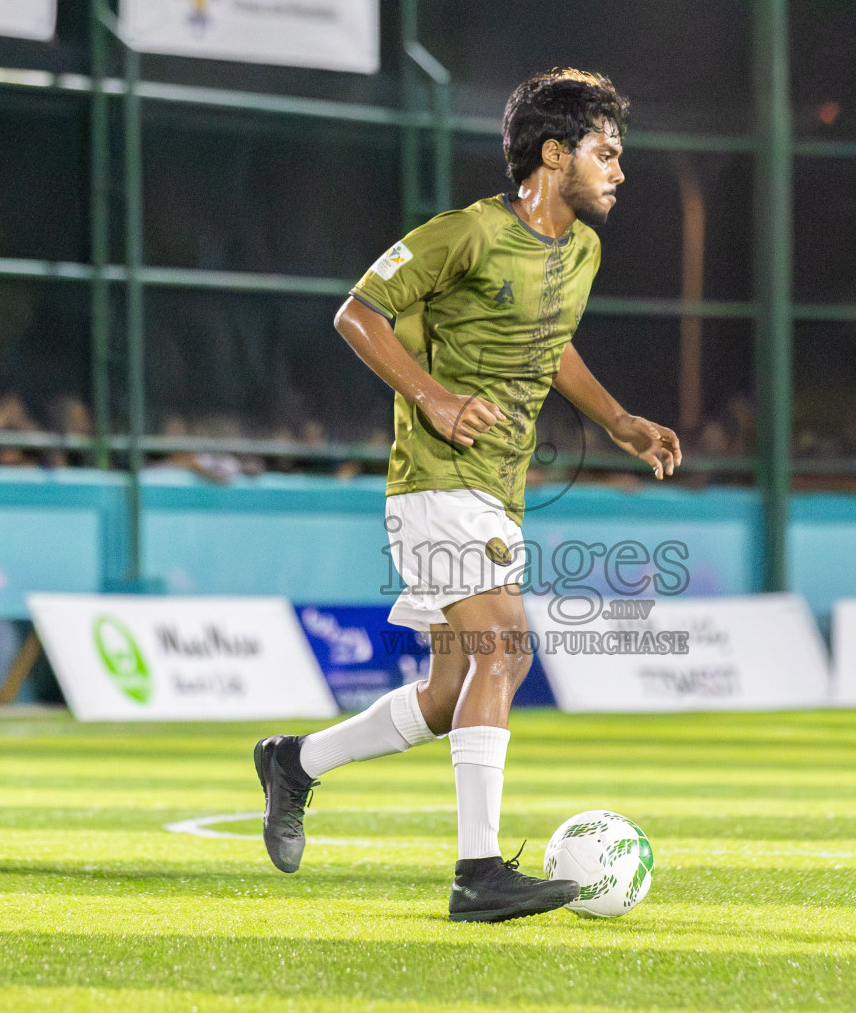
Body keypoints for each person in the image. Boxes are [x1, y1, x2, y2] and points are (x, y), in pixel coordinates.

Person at [253, 69, 682, 922]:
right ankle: (478, 872)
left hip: (498, 491)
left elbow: (552, 346)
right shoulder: (467, 234)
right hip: (437, 480)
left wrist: (620, 420)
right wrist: (435, 398)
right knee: (506, 650)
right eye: (605, 152)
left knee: (451, 698)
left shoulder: (583, 252)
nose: (619, 170)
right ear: (553, 155)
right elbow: (357, 314)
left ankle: (294, 764)